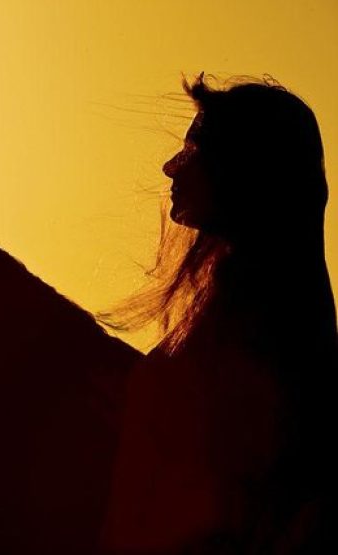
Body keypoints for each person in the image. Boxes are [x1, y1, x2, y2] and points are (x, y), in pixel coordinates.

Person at [99, 74, 337, 553]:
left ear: (242, 171)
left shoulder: (263, 333)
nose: (171, 167)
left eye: (193, 150)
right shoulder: (245, 308)